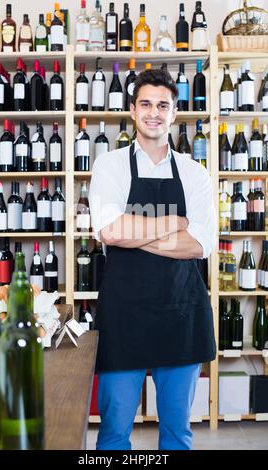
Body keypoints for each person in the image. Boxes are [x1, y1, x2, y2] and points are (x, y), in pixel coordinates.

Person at [89, 68, 216, 451]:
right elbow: (110, 231)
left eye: (163, 105)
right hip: (123, 316)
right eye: (146, 103)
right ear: (132, 110)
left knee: (177, 435)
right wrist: (174, 223)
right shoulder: (109, 166)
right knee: (113, 435)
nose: (154, 113)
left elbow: (200, 244)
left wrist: (135, 234)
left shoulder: (195, 173)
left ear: (175, 113)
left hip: (181, 315)